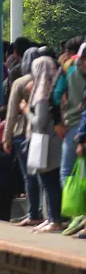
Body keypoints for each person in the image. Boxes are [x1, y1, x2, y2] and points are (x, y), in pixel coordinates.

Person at [21, 56, 64, 232]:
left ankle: (55, 219)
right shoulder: (54, 90)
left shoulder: (41, 94)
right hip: (54, 141)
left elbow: (39, 121)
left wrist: (25, 110)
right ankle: (52, 218)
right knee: (50, 182)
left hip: (46, 143)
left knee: (49, 182)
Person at [5, 47, 43, 226]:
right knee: (43, 175)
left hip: (22, 133)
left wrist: (7, 137)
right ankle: (45, 212)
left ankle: (32, 212)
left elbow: (12, 113)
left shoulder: (20, 82)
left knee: (29, 176)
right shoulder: (46, 79)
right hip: (43, 132)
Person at [53, 39, 86, 187]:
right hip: (77, 126)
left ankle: (72, 205)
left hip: (73, 125)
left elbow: (56, 95)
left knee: (66, 172)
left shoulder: (68, 68)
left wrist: (58, 122)